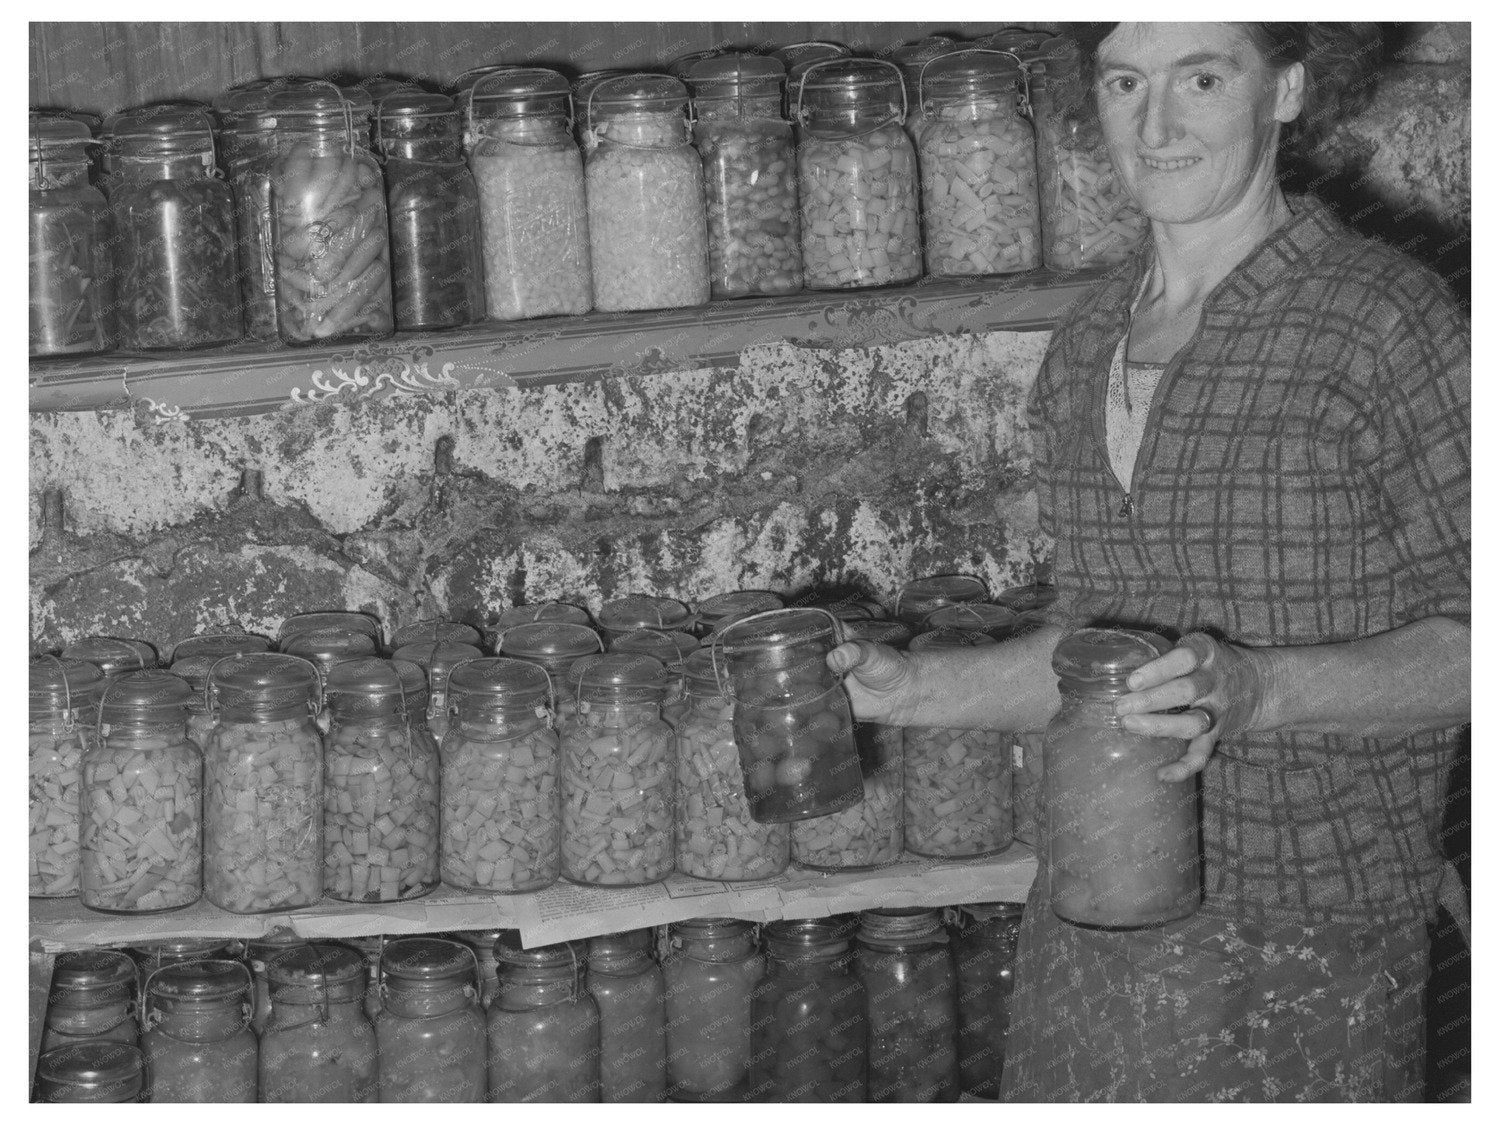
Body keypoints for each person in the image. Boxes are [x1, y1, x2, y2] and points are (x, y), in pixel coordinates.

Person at [829, 22, 1469, 1102]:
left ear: (1287, 89)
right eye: (1126, 82)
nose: (1157, 124)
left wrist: (1260, 688)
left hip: (1310, 942)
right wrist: (913, 690)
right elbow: (1090, 663)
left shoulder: (1384, 321)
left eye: (1202, 78)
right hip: (1093, 922)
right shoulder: (1088, 342)